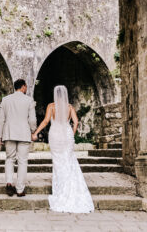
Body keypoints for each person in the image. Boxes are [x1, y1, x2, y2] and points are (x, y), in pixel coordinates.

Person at [32, 85, 94, 213]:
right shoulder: (70, 107)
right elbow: (76, 122)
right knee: (69, 160)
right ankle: (71, 186)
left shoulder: (51, 106)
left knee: (58, 162)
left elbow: (45, 121)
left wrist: (36, 133)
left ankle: (61, 189)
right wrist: (72, 132)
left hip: (55, 134)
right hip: (66, 134)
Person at [0, 79, 37, 197]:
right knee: (22, 161)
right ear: (23, 87)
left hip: (9, 133)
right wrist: (33, 130)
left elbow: (1, 119)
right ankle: (20, 189)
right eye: (26, 87)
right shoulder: (29, 100)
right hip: (24, 133)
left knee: (10, 159)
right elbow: (32, 119)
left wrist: (0, 136)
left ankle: (9, 183)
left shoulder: (5, 100)